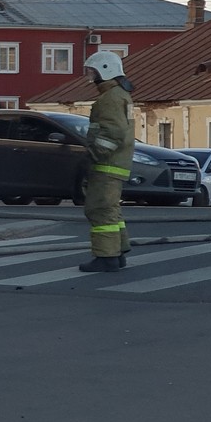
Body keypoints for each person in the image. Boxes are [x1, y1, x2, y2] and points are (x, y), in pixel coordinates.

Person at [79, 51, 134, 273]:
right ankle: (118, 251)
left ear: (105, 69)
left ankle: (106, 257)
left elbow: (114, 132)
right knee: (111, 210)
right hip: (116, 163)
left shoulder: (109, 98)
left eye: (92, 71)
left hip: (107, 164)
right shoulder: (120, 95)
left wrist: (95, 153)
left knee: (99, 209)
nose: (90, 76)